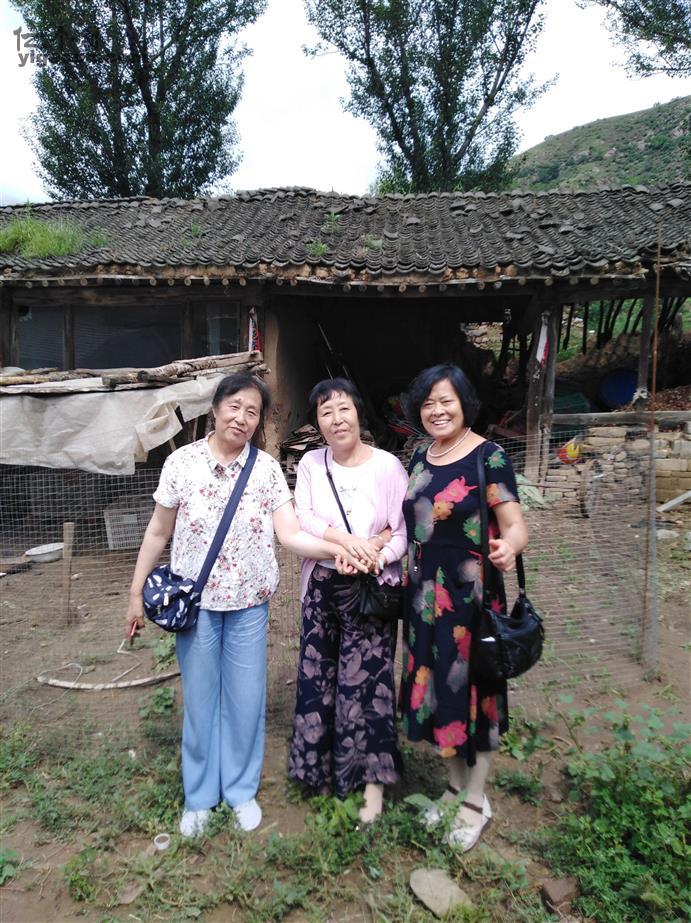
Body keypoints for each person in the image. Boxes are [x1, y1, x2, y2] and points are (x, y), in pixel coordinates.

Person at [125, 372, 364, 838]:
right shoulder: (181, 464)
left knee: (245, 701)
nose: (242, 418)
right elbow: (158, 531)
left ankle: (239, 790)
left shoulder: (266, 471)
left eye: (252, 411)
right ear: (215, 409)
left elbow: (290, 534)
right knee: (200, 701)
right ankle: (199, 796)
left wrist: (338, 549)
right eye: (234, 406)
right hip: (196, 606)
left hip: (249, 605)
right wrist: (136, 593)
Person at [399, 363, 528, 851]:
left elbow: (514, 524)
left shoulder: (489, 456)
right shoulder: (420, 456)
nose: (437, 410)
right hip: (423, 599)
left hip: (470, 601)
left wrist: (509, 547)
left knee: (476, 695)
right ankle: (453, 788)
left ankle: (476, 800)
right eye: (428, 403)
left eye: (446, 400)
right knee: (439, 694)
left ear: (464, 404)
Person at [287, 378, 408, 823]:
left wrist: (376, 555)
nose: (336, 419)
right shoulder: (311, 464)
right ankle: (318, 772)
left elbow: (402, 530)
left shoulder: (388, 467)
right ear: (317, 423)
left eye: (343, 409)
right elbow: (304, 516)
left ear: (359, 413)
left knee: (370, 684)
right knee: (318, 679)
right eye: (326, 412)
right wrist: (346, 543)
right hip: (323, 585)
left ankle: (371, 784)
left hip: (371, 587)